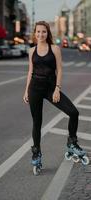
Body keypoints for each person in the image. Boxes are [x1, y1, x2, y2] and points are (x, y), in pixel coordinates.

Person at [23, 21, 87, 169]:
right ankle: (37, 152)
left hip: (51, 87)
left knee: (73, 112)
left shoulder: (55, 49)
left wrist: (57, 88)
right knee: (37, 122)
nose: (40, 34)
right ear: (35, 33)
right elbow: (30, 72)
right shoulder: (31, 51)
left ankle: (72, 143)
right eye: (38, 32)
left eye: (43, 32)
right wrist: (26, 90)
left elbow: (59, 69)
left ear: (48, 33)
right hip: (35, 88)